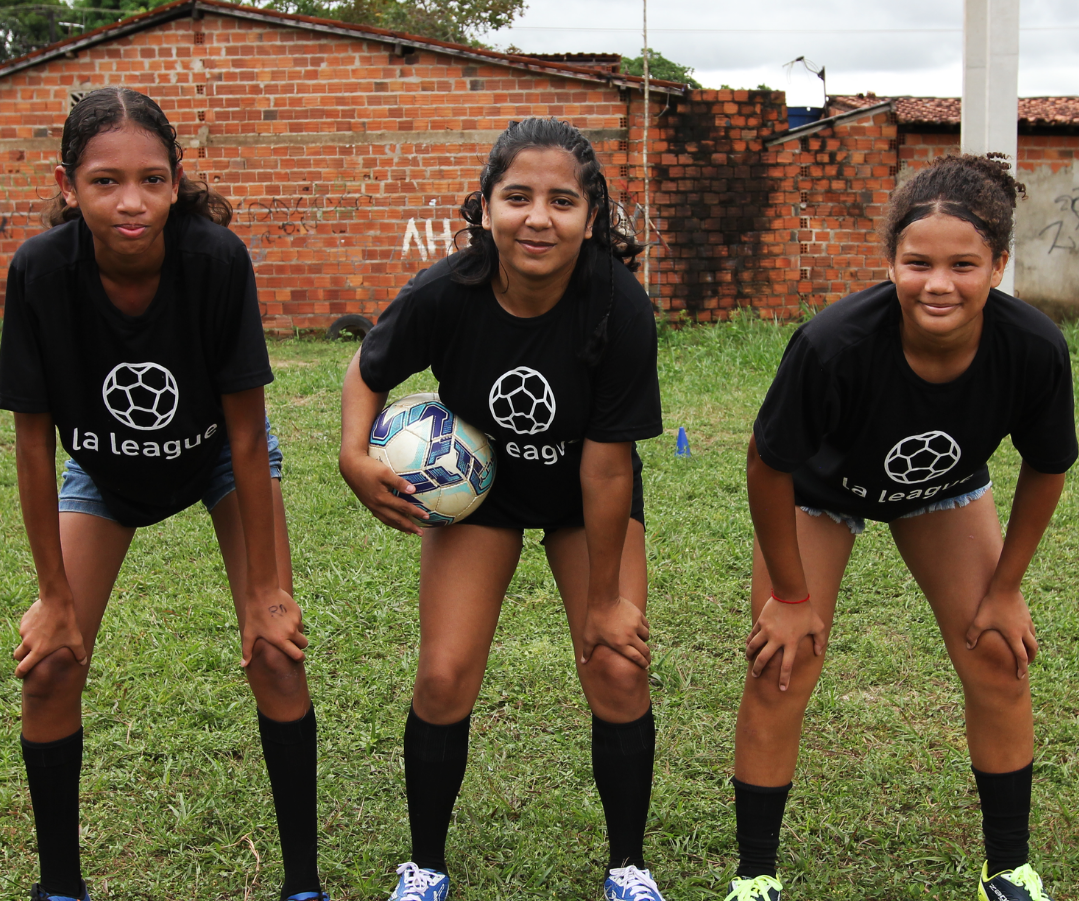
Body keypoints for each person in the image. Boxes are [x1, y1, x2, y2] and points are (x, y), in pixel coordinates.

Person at [0, 88, 326, 901]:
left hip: (219, 456)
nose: (131, 201)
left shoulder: (214, 258)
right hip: (101, 470)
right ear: (67, 184)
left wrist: (265, 592)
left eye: (151, 178)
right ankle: (60, 887)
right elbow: (33, 445)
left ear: (177, 180)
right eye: (105, 181)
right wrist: (52, 595)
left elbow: (248, 437)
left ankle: (301, 883)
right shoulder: (40, 272)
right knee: (50, 667)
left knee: (276, 654)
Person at [726, 153, 1075, 901]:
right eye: (916, 262)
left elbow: (1047, 465)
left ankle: (1008, 869)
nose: (937, 283)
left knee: (997, 656)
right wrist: (789, 596)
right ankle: (755, 877)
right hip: (819, 492)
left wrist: (1006, 587)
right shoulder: (833, 344)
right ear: (889, 260)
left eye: (963, 263)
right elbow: (767, 463)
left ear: (999, 264)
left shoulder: (1033, 348)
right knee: (781, 663)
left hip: (941, 489)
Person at [339, 117, 665, 901]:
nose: (537, 217)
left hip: (587, 498)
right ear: (485, 207)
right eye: (517, 196)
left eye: (562, 200)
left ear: (592, 219)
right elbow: (366, 366)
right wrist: (353, 456)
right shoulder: (444, 292)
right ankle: (424, 866)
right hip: (476, 494)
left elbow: (607, 464)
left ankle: (627, 866)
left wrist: (605, 601)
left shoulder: (617, 304)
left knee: (616, 665)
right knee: (445, 673)